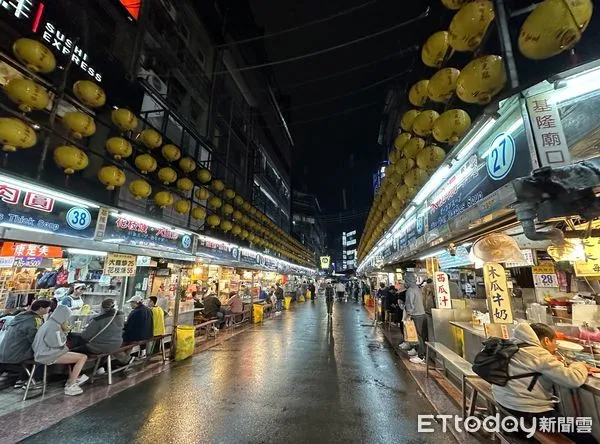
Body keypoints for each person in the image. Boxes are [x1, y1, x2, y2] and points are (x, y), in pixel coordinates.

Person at [492, 322, 597, 443]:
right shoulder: (539, 354)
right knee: (586, 437)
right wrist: (580, 365)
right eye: (555, 342)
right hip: (528, 412)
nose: (556, 347)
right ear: (547, 340)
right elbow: (573, 379)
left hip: (505, 404)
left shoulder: (513, 345)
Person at [32, 305, 88, 396]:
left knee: (74, 356)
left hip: (42, 353)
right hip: (47, 355)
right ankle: (71, 385)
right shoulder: (54, 327)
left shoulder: (48, 323)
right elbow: (58, 344)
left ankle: (72, 379)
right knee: (82, 357)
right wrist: (65, 332)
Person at [0, 300, 51, 388]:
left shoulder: (21, 316)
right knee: (44, 356)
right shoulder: (35, 320)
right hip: (17, 353)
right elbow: (35, 339)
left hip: (5, 350)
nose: (49, 309)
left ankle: (23, 379)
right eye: (48, 307)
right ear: (42, 308)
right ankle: (34, 381)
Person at [401, 274, 427, 364]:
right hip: (422, 314)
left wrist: (408, 315)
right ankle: (416, 351)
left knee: (417, 336)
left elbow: (409, 304)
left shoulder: (410, 290)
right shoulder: (418, 289)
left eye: (405, 280)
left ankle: (421, 356)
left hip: (416, 315)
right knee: (419, 335)